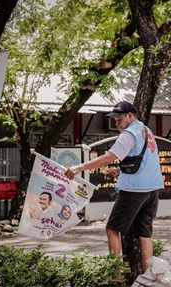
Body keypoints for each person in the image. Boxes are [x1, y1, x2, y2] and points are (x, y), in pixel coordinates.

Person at [64, 101, 164, 271]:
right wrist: (120, 170)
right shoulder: (146, 131)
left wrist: (79, 167)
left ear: (130, 116)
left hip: (134, 190)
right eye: (115, 120)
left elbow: (108, 157)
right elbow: (142, 160)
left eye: (119, 119)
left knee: (112, 228)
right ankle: (149, 274)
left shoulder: (128, 134)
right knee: (145, 234)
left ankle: (115, 274)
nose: (116, 123)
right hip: (152, 190)